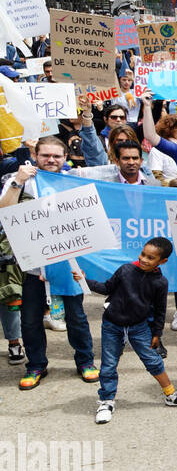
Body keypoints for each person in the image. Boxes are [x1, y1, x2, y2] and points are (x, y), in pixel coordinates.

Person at [0, 139, 99, 390]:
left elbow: (91, 221)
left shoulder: (74, 180)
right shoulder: (18, 178)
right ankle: (36, 365)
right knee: (31, 319)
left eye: (57, 156)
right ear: (35, 154)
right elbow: (4, 209)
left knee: (76, 317)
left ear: (66, 156)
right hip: (31, 264)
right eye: (45, 155)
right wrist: (18, 181)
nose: (51, 160)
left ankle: (85, 361)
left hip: (68, 263)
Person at [80, 237, 177, 424]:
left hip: (139, 328)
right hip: (112, 325)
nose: (144, 259)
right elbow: (106, 288)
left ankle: (171, 394)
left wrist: (157, 333)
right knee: (109, 364)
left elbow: (160, 310)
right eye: (143, 254)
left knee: (153, 361)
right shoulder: (125, 270)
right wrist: (84, 280)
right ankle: (106, 401)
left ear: (162, 261)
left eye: (151, 258)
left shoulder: (161, 283)